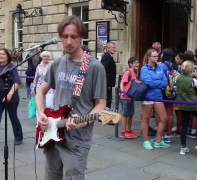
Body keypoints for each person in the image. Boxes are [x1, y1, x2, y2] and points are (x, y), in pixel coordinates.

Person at [36, 16, 106, 180]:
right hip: (53, 132)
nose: (68, 41)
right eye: (65, 36)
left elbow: (101, 104)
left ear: (81, 37)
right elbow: (41, 90)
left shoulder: (95, 67)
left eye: (73, 36)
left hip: (77, 140)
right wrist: (41, 113)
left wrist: (85, 120)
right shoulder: (58, 63)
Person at [176, 61, 197, 157]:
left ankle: (183, 147)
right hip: (194, 105)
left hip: (183, 104)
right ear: (192, 70)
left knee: (184, 124)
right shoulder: (193, 80)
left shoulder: (178, 77)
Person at [140, 48, 170, 150]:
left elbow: (165, 81)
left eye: (157, 56)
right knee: (146, 118)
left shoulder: (160, 67)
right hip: (148, 97)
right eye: (154, 56)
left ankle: (158, 140)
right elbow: (149, 82)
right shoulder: (144, 69)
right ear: (149, 57)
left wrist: (157, 83)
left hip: (158, 96)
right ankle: (146, 140)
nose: (157, 57)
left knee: (163, 118)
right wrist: (159, 82)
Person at [119, 57, 139, 139]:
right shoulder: (128, 72)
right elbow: (122, 83)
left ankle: (129, 130)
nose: (137, 64)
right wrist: (123, 92)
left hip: (131, 97)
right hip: (125, 97)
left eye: (138, 62)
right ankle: (123, 132)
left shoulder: (135, 73)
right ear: (131, 64)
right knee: (125, 114)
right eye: (136, 63)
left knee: (130, 114)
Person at [100, 42, 116, 108]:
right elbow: (103, 70)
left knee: (108, 101)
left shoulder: (109, 56)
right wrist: (107, 83)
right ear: (108, 48)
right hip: (106, 84)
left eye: (115, 47)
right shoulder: (107, 57)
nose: (115, 49)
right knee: (107, 101)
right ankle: (105, 117)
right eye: (113, 47)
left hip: (108, 84)